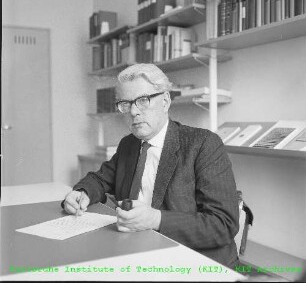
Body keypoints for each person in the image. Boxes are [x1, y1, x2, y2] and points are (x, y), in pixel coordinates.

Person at [62, 63, 239, 269]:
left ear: (165, 101)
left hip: (194, 262)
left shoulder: (203, 144)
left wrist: (156, 219)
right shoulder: (129, 144)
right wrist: (81, 193)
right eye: (125, 104)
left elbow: (223, 224)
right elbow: (99, 179)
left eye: (143, 101)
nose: (134, 112)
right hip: (138, 252)